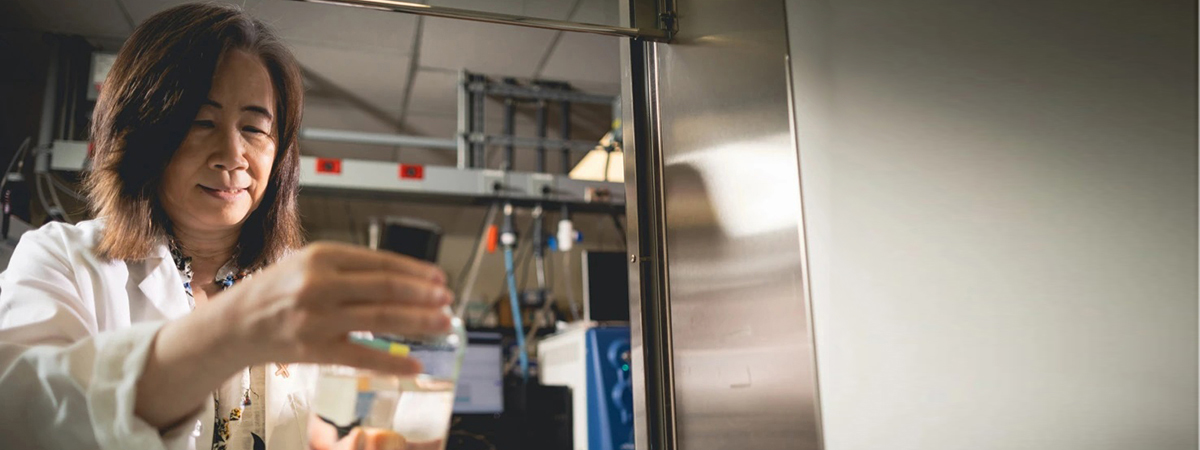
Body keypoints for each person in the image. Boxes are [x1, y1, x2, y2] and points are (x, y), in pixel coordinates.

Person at [0, 3, 449, 449]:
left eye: (255, 128)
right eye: (202, 121)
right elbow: (21, 413)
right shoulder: (63, 260)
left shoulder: (307, 289)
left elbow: (366, 414)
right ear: (141, 134)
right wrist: (229, 331)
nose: (232, 155)